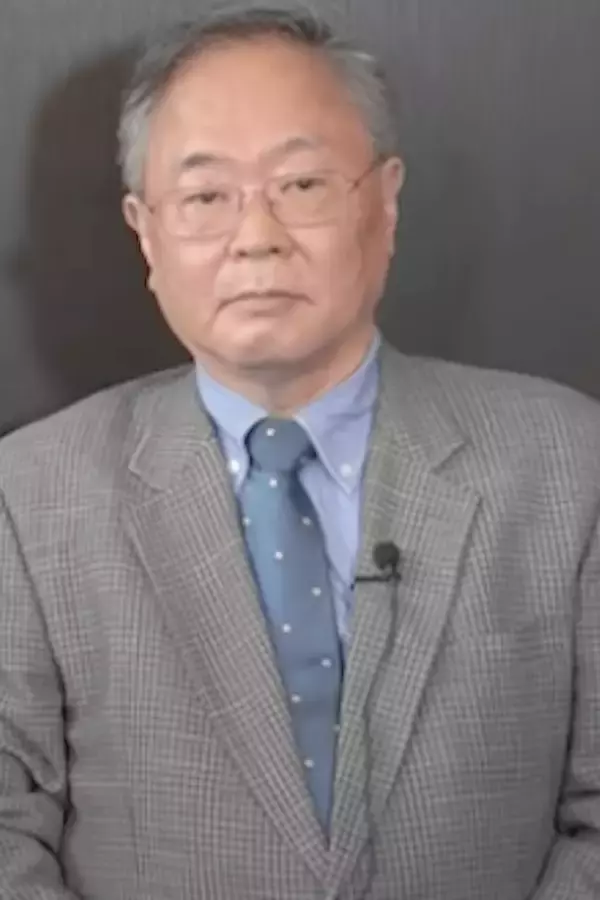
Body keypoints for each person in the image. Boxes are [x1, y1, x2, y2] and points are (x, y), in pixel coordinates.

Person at [1, 5, 600, 899]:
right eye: (206, 197)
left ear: (385, 203)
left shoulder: (569, 464)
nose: (257, 237)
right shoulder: (28, 497)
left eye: (303, 184)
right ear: (146, 232)